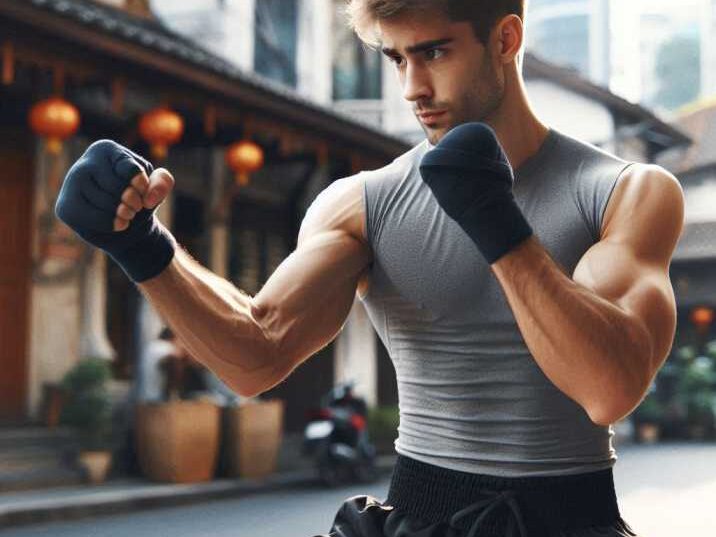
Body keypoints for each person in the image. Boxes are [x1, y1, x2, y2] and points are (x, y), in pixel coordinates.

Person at [54, 1, 685, 535]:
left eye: (433, 53)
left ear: (505, 39)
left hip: (571, 518)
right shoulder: (365, 200)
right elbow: (258, 352)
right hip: (416, 513)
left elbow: (610, 389)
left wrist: (499, 228)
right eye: (397, 59)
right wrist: (143, 245)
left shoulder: (624, 191)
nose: (412, 87)